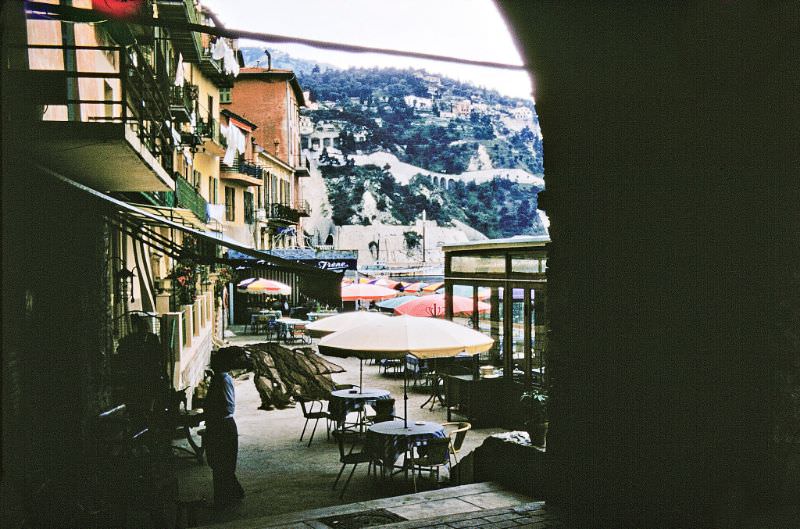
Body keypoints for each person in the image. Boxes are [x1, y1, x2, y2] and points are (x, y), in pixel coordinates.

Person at [204, 353, 245, 508]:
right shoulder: (217, 379)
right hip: (217, 426)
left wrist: (210, 413)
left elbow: (228, 406)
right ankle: (231, 495)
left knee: (222, 465)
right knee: (218, 464)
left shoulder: (223, 379)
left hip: (222, 427)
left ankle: (224, 500)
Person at [115, 314, 166, 420]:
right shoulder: (131, 340)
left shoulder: (153, 339)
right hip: (137, 372)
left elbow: (158, 354)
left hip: (150, 371)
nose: (144, 333)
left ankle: (150, 410)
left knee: (154, 387)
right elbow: (121, 351)